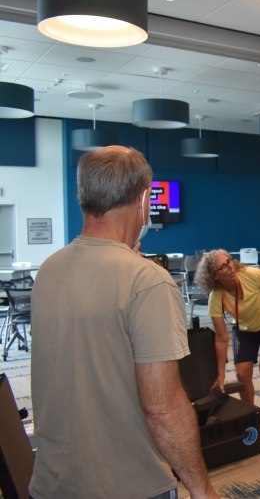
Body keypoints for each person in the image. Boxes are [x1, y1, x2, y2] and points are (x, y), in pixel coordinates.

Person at [30, 146, 221, 499]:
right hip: (130, 486)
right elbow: (162, 409)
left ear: (83, 195)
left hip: (52, 481)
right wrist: (201, 488)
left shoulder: (49, 269)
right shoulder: (146, 281)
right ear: (144, 197)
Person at [195, 250, 260, 443]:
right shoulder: (216, 296)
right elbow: (221, 339)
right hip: (245, 330)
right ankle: (252, 417)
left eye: (229, 261)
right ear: (213, 276)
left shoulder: (253, 275)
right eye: (223, 266)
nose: (229, 267)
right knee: (242, 373)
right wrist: (220, 375)